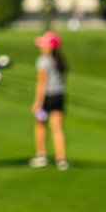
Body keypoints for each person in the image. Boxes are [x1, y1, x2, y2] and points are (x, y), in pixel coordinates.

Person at [29, 31, 69, 170]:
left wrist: (37, 103)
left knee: (40, 125)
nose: (40, 46)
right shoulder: (59, 60)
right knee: (57, 128)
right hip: (59, 96)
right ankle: (61, 159)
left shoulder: (43, 60)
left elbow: (41, 83)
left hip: (47, 97)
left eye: (43, 44)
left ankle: (41, 156)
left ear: (50, 46)